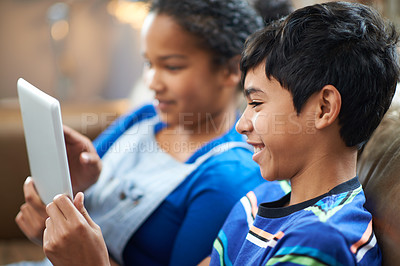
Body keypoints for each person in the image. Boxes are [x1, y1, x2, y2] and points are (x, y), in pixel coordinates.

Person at [13, 0, 291, 265]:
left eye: (171, 66)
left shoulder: (227, 176)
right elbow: (77, 196)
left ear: (231, 70)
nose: (152, 82)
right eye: (149, 63)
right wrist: (80, 183)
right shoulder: (145, 115)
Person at [208, 1, 399, 265]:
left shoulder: (322, 240)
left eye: (256, 104)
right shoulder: (258, 200)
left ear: (323, 108)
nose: (241, 124)